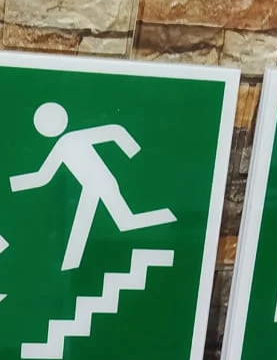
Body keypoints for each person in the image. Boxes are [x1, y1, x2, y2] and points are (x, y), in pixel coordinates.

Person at [10, 101, 175, 271]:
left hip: (100, 184)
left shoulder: (70, 140)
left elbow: (113, 131)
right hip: (95, 186)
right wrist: (15, 183)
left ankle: (70, 263)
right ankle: (167, 216)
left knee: (104, 221)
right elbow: (43, 176)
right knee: (124, 221)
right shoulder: (64, 144)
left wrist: (132, 148)